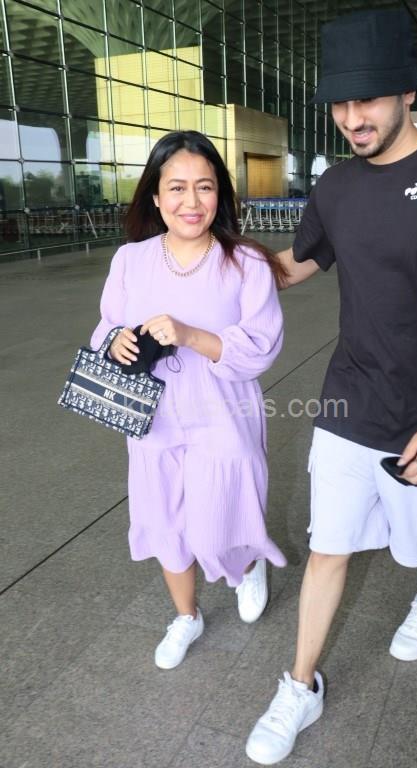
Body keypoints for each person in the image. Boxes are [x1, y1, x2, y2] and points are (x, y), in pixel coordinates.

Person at [246, 8, 417, 765]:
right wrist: (204, 253)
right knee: (328, 546)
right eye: (339, 103)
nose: (351, 118)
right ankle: (299, 685)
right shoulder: (336, 185)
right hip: (351, 399)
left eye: (367, 99)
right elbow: (296, 265)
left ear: (407, 91)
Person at [91, 130, 287, 670]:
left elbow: (262, 344)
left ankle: (247, 565)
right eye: (176, 188)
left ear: (220, 194)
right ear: (155, 197)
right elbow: (105, 326)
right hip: (151, 414)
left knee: (222, 513)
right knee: (164, 520)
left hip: (222, 410)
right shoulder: (130, 260)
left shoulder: (245, 262)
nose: (191, 201)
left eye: (204, 187)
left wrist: (190, 334)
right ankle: (186, 615)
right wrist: (114, 340)